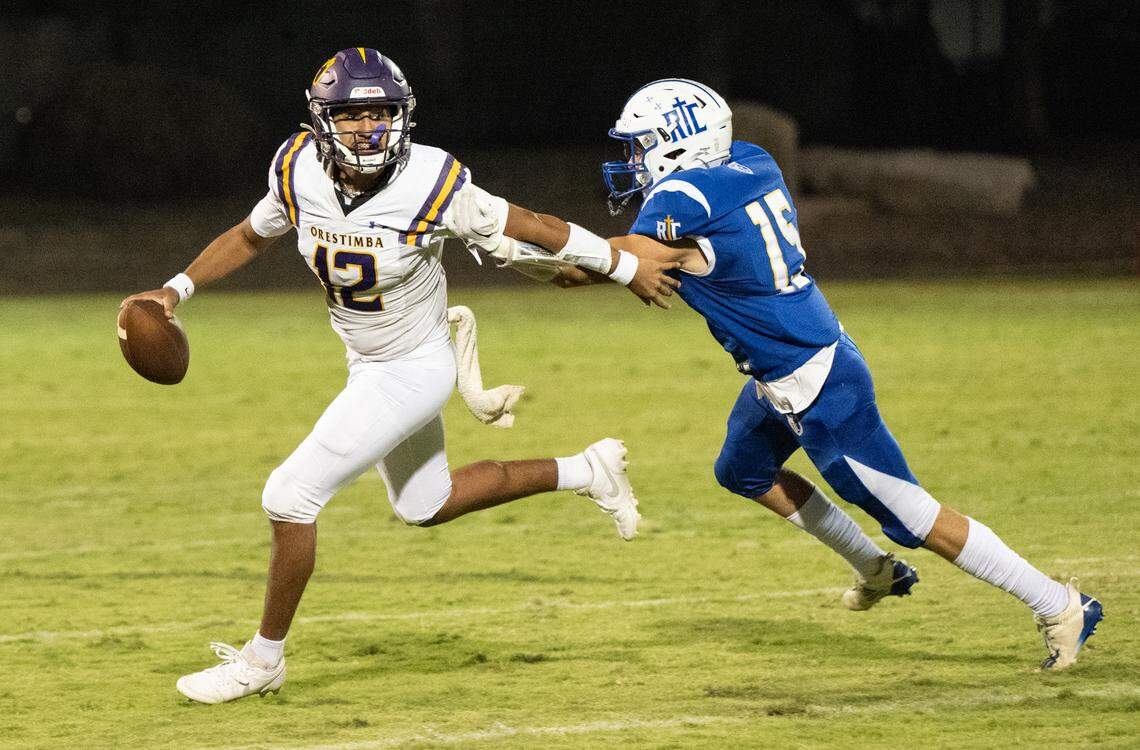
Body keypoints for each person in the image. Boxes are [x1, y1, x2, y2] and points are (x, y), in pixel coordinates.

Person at [444, 78, 1103, 671]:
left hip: (815, 388)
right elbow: (626, 261)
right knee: (742, 470)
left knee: (914, 518)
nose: (632, 161)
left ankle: (1059, 604)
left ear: (679, 143)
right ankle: (874, 571)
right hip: (797, 362)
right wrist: (539, 256)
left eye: (642, 146)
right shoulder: (750, 162)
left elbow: (603, 263)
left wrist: (511, 244)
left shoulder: (682, 199)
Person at [120, 49, 681, 704]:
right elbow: (249, 235)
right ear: (322, 121)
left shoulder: (433, 182)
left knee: (288, 497)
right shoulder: (296, 167)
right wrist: (175, 290)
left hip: (411, 369)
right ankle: (588, 471)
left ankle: (262, 661)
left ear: (402, 118)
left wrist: (622, 267)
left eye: (380, 114)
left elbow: (540, 227)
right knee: (425, 503)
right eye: (351, 115)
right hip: (369, 361)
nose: (367, 129)